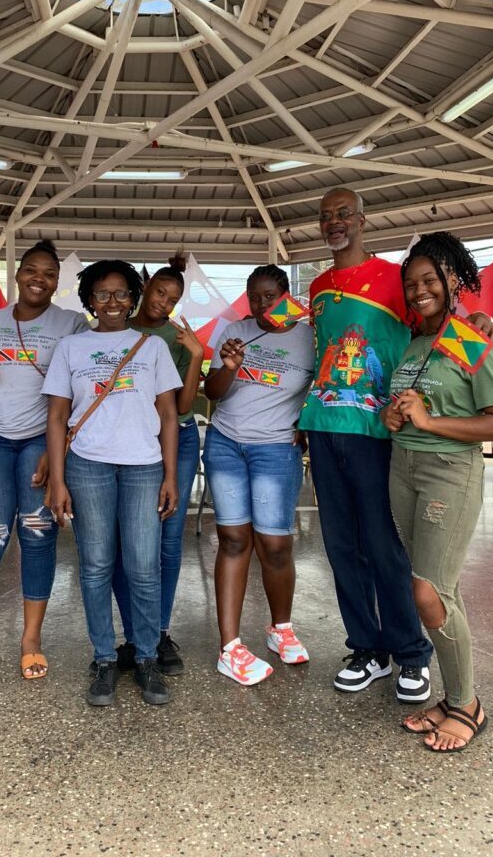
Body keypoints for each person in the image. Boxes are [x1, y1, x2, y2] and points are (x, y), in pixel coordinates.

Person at [299, 187, 493, 702]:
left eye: (344, 214)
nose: (334, 222)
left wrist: (481, 325)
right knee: (341, 546)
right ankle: (367, 649)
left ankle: (411, 653)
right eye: (326, 217)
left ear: (363, 220)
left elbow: (453, 323)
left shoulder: (397, 277)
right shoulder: (318, 285)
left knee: (384, 546)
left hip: (380, 431)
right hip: (324, 425)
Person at [382, 232, 493, 751]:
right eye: (411, 283)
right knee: (438, 588)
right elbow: (409, 409)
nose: (419, 291)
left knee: (429, 593)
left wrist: (431, 421)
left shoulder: (468, 339)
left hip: (447, 474)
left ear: (452, 280)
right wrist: (393, 415)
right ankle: (451, 694)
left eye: (429, 280)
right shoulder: (416, 345)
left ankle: (467, 704)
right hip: (404, 469)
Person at [0, 240, 87, 682]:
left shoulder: (72, 324)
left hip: (40, 442)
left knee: (38, 534)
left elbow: (81, 391)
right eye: (31, 270)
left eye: (48, 273)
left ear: (56, 282)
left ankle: (31, 641)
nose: (38, 279)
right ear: (18, 274)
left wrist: (54, 446)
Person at [45, 259, 181, 707]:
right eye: (102, 294)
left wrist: (171, 474)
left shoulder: (152, 346)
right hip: (88, 466)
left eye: (122, 293)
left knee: (144, 568)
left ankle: (145, 658)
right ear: (88, 300)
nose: (113, 303)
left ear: (133, 299)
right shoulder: (70, 348)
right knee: (96, 566)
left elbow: (167, 414)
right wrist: (58, 481)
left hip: (144, 467)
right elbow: (58, 416)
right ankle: (104, 658)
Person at [203, 264, 314, 685]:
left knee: (276, 544)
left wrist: (305, 424)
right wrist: (229, 366)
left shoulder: (310, 337)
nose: (262, 303)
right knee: (233, 539)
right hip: (226, 443)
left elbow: (326, 385)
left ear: (286, 294)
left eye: (270, 295)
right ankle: (229, 646)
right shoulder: (234, 331)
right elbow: (212, 392)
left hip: (275, 448)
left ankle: (280, 628)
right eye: (254, 296)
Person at [110, 253, 205, 676]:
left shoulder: (178, 339)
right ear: (145, 288)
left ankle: (159, 632)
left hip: (177, 439)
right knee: (121, 544)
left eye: (172, 299)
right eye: (159, 292)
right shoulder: (116, 327)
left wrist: (198, 358)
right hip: (127, 442)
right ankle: (134, 633)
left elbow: (183, 406)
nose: (163, 303)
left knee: (166, 541)